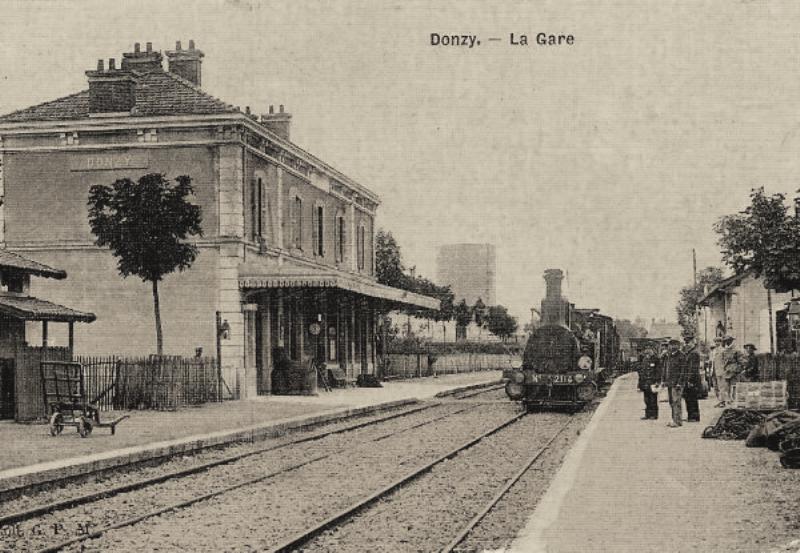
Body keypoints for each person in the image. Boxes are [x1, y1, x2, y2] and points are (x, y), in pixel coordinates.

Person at [661, 338, 687, 427]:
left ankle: (678, 421)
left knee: (676, 402)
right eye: (670, 345)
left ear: (678, 346)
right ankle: (674, 419)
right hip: (670, 383)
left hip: (677, 383)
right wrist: (663, 380)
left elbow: (683, 371)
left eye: (673, 344)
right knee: (672, 402)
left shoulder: (681, 356)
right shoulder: (668, 356)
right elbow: (665, 368)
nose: (671, 346)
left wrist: (680, 382)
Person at [682, 334, 701, 422]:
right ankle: (690, 416)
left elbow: (692, 368)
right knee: (688, 397)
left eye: (688, 342)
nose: (687, 344)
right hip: (688, 379)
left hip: (692, 379)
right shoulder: (689, 352)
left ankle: (694, 416)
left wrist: (690, 380)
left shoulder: (694, 353)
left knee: (692, 398)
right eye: (686, 342)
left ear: (693, 342)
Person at [637, 346, 660, 420]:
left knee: (653, 399)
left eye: (649, 349)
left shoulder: (656, 359)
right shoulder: (644, 359)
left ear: (652, 350)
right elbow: (641, 372)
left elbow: (658, 371)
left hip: (653, 382)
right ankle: (648, 415)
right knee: (646, 400)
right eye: (646, 349)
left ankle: (654, 415)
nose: (648, 351)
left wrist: (657, 381)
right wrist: (639, 384)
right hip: (645, 382)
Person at [721, 336, 742, 403]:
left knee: (734, 385)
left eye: (728, 340)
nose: (727, 342)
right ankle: (729, 399)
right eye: (726, 341)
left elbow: (740, 361)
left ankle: (734, 398)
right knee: (727, 386)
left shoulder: (736, 350)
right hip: (727, 370)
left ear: (731, 341)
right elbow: (723, 360)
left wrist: (737, 369)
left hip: (734, 370)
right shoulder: (725, 351)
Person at [712, 337, 727, 407]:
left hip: (721, 370)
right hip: (715, 370)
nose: (716, 343)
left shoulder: (723, 350)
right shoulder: (714, 351)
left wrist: (724, 369)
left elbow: (725, 361)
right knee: (716, 387)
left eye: (718, 341)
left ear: (721, 342)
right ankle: (719, 400)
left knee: (722, 387)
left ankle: (723, 401)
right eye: (715, 342)